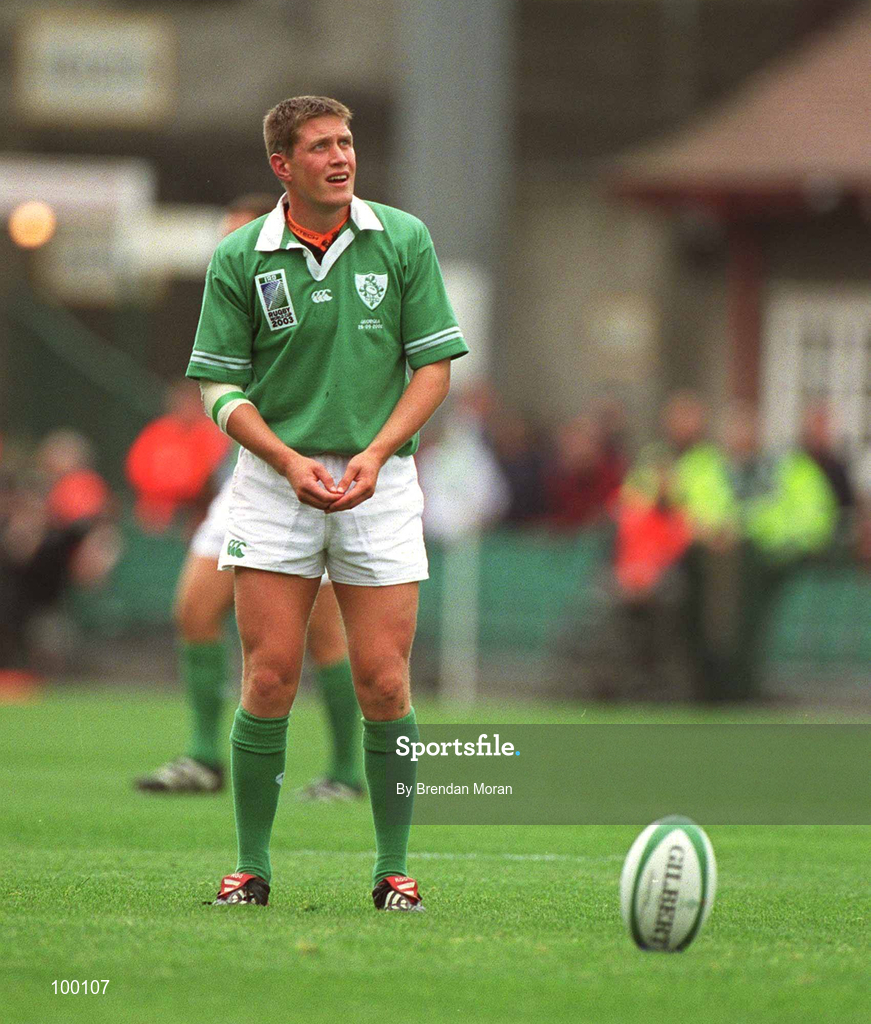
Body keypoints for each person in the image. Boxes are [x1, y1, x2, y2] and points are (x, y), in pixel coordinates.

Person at [185, 96, 467, 911]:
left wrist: (378, 453)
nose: (340, 157)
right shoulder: (241, 256)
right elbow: (218, 385)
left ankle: (393, 870)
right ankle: (249, 866)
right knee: (270, 677)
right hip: (276, 484)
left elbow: (434, 368)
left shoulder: (403, 238)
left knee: (384, 680)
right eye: (320, 147)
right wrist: (283, 457)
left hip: (381, 485)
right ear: (283, 164)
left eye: (346, 142)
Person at [136, 195, 363, 801]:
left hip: (314, 473)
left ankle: (346, 772)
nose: (227, 250)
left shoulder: (305, 291)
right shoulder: (232, 295)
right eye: (223, 238)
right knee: (193, 611)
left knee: (322, 636)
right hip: (250, 476)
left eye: (238, 237)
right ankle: (205, 758)